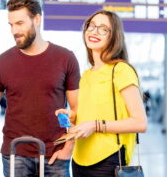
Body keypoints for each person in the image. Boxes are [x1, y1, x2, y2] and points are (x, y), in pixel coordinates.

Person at [0, 0, 80, 177]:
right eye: (11, 25)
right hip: (16, 154)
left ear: (37, 19)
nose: (14, 30)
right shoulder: (3, 62)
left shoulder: (65, 58)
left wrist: (68, 149)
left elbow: (77, 109)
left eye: (20, 23)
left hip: (55, 155)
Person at [56, 10, 147, 177]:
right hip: (79, 160)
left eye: (103, 28)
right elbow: (91, 113)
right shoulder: (87, 75)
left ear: (114, 36)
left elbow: (140, 123)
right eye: (91, 26)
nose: (94, 31)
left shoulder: (121, 70)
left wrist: (95, 125)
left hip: (108, 160)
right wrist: (73, 116)